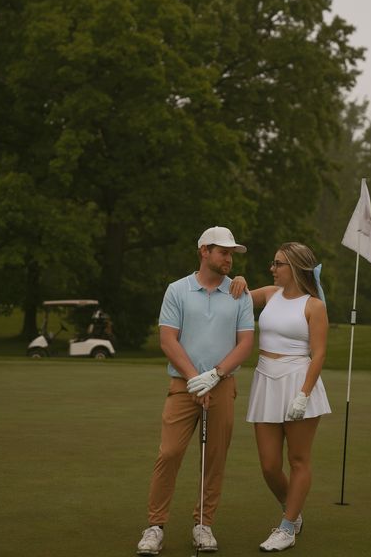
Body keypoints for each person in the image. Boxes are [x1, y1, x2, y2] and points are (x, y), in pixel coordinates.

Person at [136, 226, 254, 556]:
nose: (229, 258)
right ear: (204, 251)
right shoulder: (177, 290)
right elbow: (168, 339)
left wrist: (214, 376)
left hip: (223, 385)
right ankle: (155, 526)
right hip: (183, 386)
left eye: (232, 253)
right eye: (223, 252)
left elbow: (245, 344)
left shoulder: (239, 293)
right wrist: (194, 379)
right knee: (169, 453)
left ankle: (203, 524)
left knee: (214, 459)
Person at [230, 241, 331, 552]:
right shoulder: (270, 295)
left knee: (298, 460)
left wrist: (304, 395)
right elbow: (238, 298)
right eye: (273, 263)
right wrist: (239, 280)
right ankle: (294, 510)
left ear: (296, 268)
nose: (272, 269)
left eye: (278, 264)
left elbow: (319, 354)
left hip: (298, 382)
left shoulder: (314, 305)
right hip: (266, 380)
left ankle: (287, 525)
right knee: (270, 465)